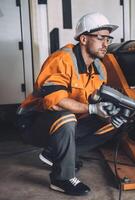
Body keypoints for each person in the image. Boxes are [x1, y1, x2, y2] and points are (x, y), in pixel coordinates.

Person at [16, 12, 127, 196]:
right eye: (100, 37)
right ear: (83, 39)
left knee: (114, 120)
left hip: (69, 123)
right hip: (34, 123)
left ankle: (56, 153)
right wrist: (92, 108)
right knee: (66, 116)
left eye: (108, 38)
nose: (106, 43)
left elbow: (95, 102)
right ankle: (62, 178)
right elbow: (56, 102)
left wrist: (108, 113)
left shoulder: (100, 68)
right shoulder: (62, 60)